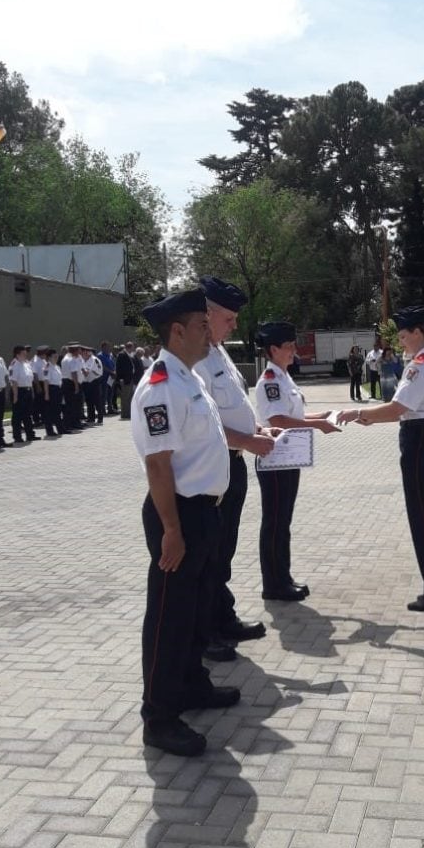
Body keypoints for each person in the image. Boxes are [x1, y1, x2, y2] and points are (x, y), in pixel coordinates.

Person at [131, 287, 240, 758]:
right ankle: (159, 716)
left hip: (202, 512)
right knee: (169, 619)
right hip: (177, 514)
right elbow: (158, 465)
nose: (209, 335)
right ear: (177, 330)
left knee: (194, 613)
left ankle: (193, 684)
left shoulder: (188, 379)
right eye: (202, 325)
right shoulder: (160, 385)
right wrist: (172, 531)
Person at [337, 305, 424, 613]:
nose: (400, 342)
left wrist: (358, 413)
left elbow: (396, 407)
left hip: (421, 440)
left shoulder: (422, 362)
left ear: (418, 332)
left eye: (403, 336)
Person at [195, 276, 274, 663]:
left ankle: (222, 617)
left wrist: (254, 430)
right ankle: (205, 631)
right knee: (209, 553)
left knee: (223, 551)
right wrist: (247, 440)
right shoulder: (194, 359)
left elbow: (234, 406)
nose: (234, 325)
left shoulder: (219, 352)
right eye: (229, 318)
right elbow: (206, 424)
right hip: (216, 465)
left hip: (235, 463)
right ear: (207, 314)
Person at [254, 321, 340, 600]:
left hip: (289, 458)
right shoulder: (270, 381)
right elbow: (278, 420)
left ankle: (283, 576)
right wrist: (317, 426)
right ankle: (273, 584)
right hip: (275, 458)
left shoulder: (284, 377)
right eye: (288, 346)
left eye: (293, 345)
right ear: (273, 349)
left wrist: (324, 415)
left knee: (283, 522)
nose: (294, 350)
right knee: (275, 522)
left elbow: (295, 416)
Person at [8, 345, 37, 444]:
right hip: (18, 392)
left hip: (27, 391)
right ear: (17, 354)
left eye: (26, 353)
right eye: (23, 354)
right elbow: (14, 382)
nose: (26, 355)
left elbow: (30, 380)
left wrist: (31, 392)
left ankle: (30, 435)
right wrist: (15, 396)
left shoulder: (26, 364)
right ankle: (17, 437)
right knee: (17, 416)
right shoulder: (14, 365)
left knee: (27, 415)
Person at [60, 343, 84, 432]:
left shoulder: (70, 358)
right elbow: (73, 374)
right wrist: (76, 386)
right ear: (75, 350)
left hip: (71, 383)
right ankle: (69, 424)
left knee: (75, 405)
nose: (80, 351)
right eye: (79, 350)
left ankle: (74, 422)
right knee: (71, 405)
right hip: (71, 383)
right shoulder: (70, 359)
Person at [42, 348, 65, 437]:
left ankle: (60, 429)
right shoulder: (47, 367)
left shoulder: (57, 367)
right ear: (49, 358)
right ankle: (50, 431)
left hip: (58, 389)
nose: (56, 358)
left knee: (58, 410)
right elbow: (46, 381)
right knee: (50, 412)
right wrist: (47, 394)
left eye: (57, 356)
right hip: (51, 390)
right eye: (54, 356)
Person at [81, 347, 104, 424]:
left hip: (94, 381)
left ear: (88, 352)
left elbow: (88, 372)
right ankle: (91, 417)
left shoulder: (93, 359)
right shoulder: (84, 359)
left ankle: (100, 418)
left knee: (96, 400)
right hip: (86, 382)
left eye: (84, 352)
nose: (82, 354)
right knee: (89, 401)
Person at [116, 341, 138, 419]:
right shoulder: (122, 355)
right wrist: (120, 378)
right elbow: (119, 367)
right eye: (132, 347)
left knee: (129, 397)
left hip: (130, 378)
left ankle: (128, 413)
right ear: (129, 347)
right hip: (125, 379)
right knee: (125, 397)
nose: (133, 349)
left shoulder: (130, 355)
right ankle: (124, 414)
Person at [98, 341, 117, 415]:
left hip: (111, 378)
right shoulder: (100, 355)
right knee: (104, 394)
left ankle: (110, 408)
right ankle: (102, 409)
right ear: (102, 347)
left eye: (108, 347)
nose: (108, 348)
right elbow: (102, 366)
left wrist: (114, 371)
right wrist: (111, 372)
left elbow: (113, 364)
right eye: (106, 347)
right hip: (104, 378)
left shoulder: (110, 355)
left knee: (110, 393)